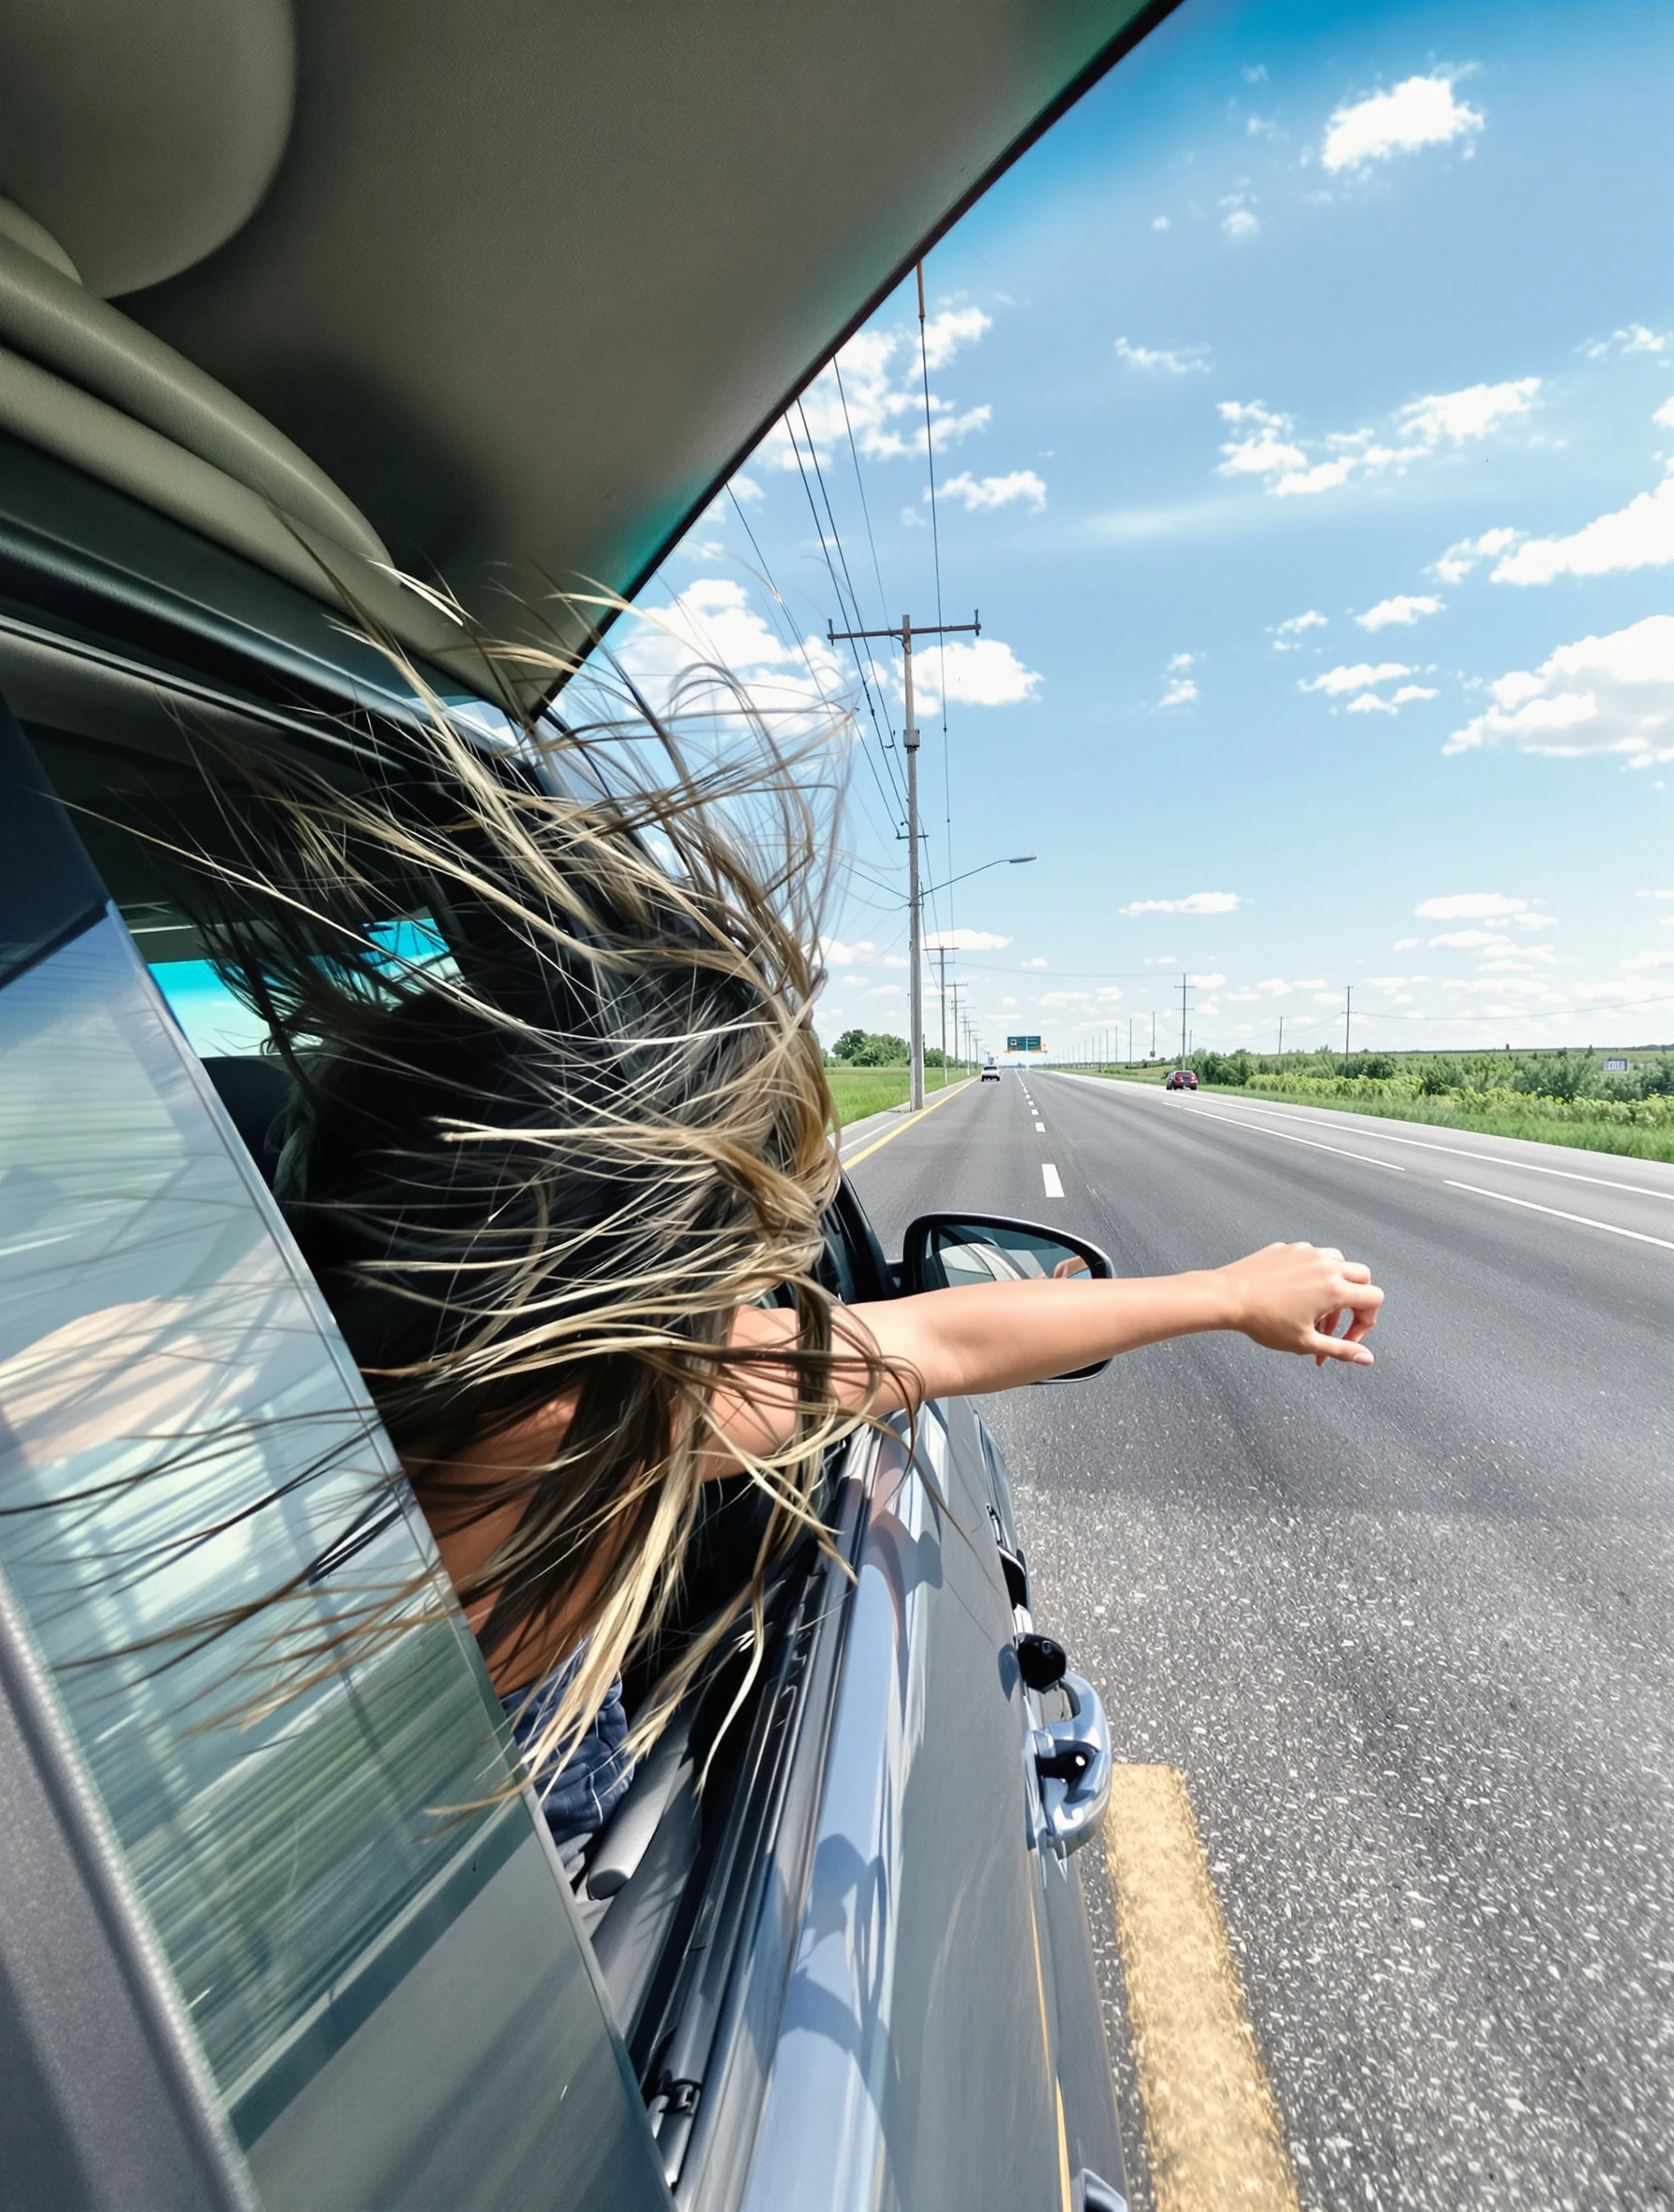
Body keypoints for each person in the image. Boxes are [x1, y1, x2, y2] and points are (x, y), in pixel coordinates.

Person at [201, 639, 1383, 1861]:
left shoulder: (216, 1368)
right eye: (726, 1281)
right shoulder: (582, 1423)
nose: (750, 1319)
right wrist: (1227, 1292)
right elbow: (939, 1336)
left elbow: (933, 1335)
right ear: (621, 1301)